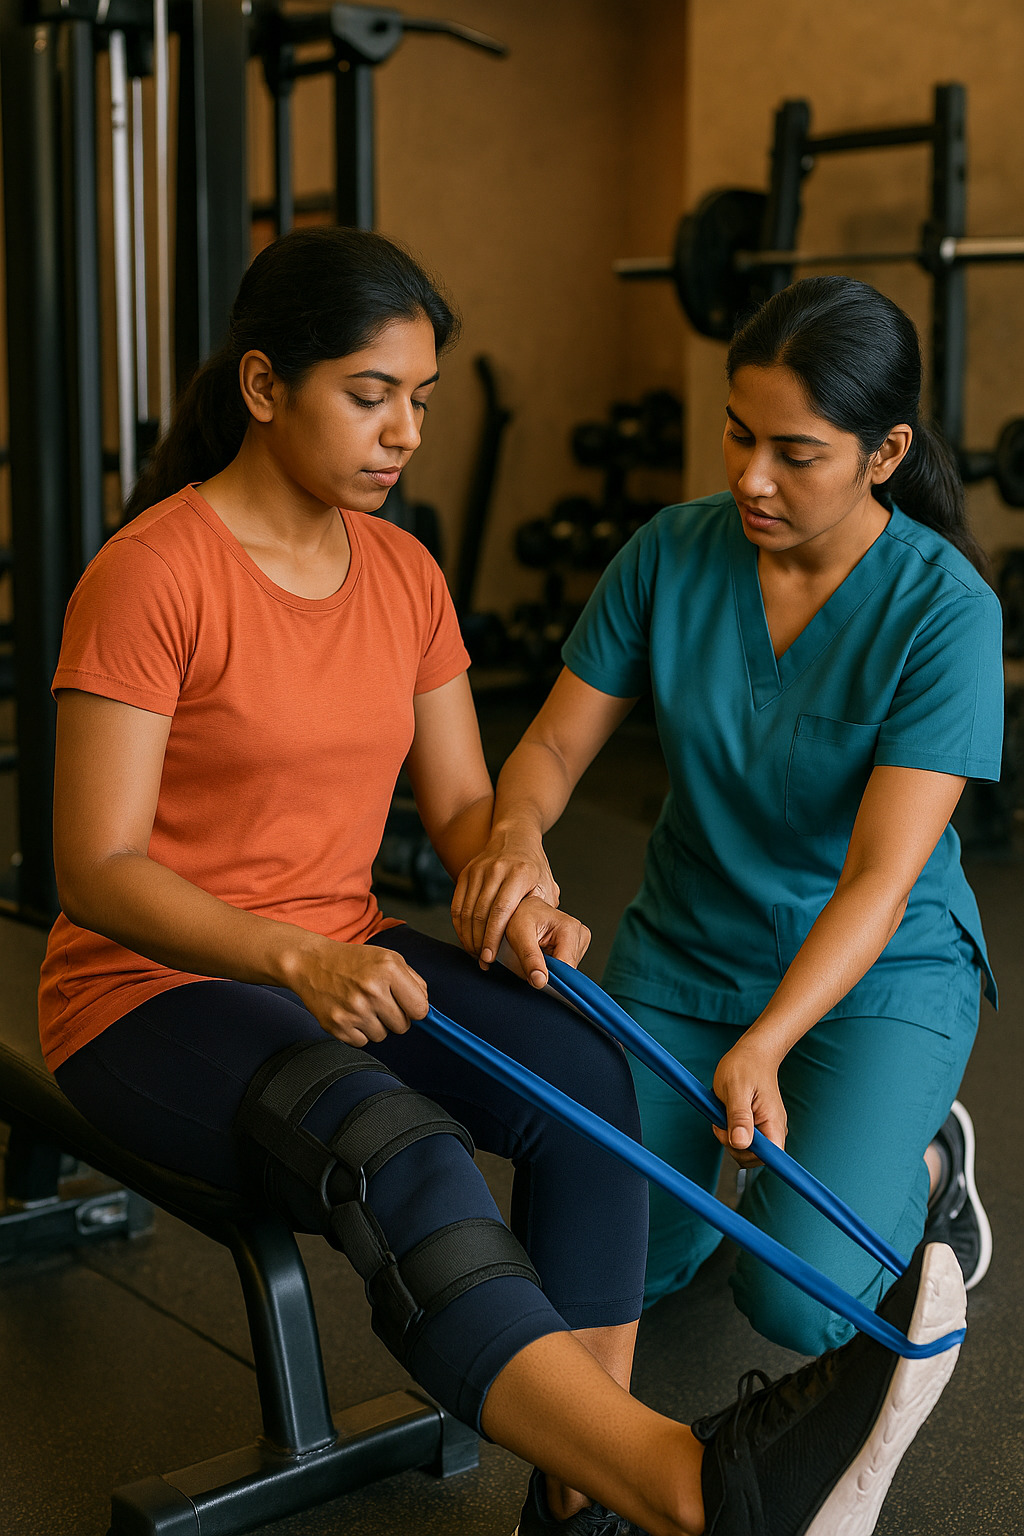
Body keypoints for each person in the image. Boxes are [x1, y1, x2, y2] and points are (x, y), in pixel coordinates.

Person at [40, 234, 966, 1536]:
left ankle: (575, 1497)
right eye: (372, 395)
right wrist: (294, 960)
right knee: (393, 1140)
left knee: (592, 1081)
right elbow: (97, 871)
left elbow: (471, 806)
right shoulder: (153, 572)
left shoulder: (406, 574)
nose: (404, 431)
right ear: (262, 387)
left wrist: (515, 869)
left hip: (340, 957)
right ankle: (688, 1488)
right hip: (152, 997)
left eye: (421, 399)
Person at [454, 275, 1002, 1359]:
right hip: (687, 954)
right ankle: (749, 1188)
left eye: (795, 454)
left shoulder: (943, 612)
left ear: (882, 454)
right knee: (600, 1262)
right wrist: (515, 828)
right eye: (737, 434)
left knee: (794, 1302)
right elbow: (555, 745)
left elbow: (878, 883)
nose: (751, 477)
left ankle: (926, 1163)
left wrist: (766, 1043)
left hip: (875, 974)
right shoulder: (670, 552)